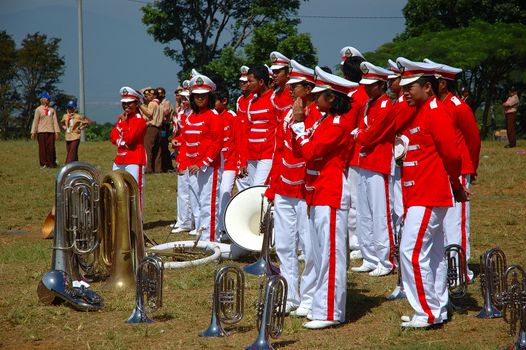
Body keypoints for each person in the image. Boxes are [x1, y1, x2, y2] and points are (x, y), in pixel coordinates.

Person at [395, 57, 469, 329]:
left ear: (427, 87)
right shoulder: (421, 111)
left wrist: (456, 186)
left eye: (409, 88)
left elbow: (451, 154)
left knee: (411, 252)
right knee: (434, 254)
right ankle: (436, 307)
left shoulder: (435, 112)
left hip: (430, 193)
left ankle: (426, 312)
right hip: (420, 193)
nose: (404, 93)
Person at [291, 66, 357, 330]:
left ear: (332, 97)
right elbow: (301, 149)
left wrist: (298, 125)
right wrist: (300, 131)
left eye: (319, 94)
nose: (314, 98)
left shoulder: (339, 124)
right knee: (318, 255)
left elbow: (310, 151)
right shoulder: (325, 121)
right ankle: (321, 305)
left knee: (331, 255)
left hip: (330, 193)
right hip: (318, 191)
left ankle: (330, 311)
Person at [265, 59, 320, 318]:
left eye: (296, 85)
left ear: (308, 88)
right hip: (285, 187)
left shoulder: (317, 114)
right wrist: (272, 187)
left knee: (309, 246)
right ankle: (290, 294)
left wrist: (301, 121)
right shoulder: (288, 112)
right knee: (285, 245)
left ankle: (309, 297)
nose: (290, 89)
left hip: (305, 189)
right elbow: (280, 152)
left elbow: (311, 151)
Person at [426, 58, 481, 281]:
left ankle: (460, 269)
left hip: (459, 168)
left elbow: (474, 140)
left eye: (434, 81)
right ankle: (446, 264)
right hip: (441, 170)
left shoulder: (458, 107)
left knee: (456, 221)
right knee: (444, 221)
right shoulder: (435, 106)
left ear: (443, 84)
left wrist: (471, 169)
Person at [350, 61, 396, 277]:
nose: (366, 88)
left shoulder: (387, 106)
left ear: (381, 85)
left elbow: (369, 135)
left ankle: (385, 260)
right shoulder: (369, 104)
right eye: (365, 84)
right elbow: (361, 130)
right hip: (363, 162)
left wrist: (360, 135)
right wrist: (361, 134)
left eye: (371, 85)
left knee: (380, 213)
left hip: (378, 163)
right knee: (364, 213)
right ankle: (369, 256)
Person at [179, 74, 223, 242]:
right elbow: (185, 142)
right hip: (192, 168)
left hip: (208, 168)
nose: (200, 98)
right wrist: (183, 163)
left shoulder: (214, 116)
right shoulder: (190, 117)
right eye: (197, 95)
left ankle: (211, 241)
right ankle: (202, 234)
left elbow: (216, 144)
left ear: (209, 96)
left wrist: (201, 163)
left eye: (203, 95)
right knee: (197, 203)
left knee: (209, 205)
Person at [340, 46, 368, 261]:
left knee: (355, 202)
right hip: (354, 152)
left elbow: (348, 126)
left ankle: (356, 242)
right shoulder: (356, 93)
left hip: (354, 152)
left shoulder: (356, 95)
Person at [238, 65, 279, 187]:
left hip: (267, 154)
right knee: (252, 189)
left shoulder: (274, 98)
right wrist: (243, 159)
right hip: (252, 154)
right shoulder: (251, 102)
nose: (248, 84)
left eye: (250, 81)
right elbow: (247, 132)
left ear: (261, 82)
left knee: (259, 188)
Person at [110, 87, 148, 208]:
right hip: (120, 159)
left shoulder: (139, 120)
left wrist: (123, 127)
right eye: (124, 103)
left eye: (129, 102)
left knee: (134, 190)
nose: (126, 105)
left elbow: (130, 139)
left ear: (137, 104)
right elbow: (112, 136)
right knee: (117, 189)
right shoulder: (121, 118)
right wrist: (122, 142)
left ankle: (137, 223)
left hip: (134, 159)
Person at [171, 81, 195, 234]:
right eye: (183, 99)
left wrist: (179, 140)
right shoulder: (180, 113)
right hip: (182, 154)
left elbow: (190, 136)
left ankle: (190, 221)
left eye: (187, 99)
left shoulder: (194, 114)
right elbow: (179, 133)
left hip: (191, 155)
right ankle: (183, 220)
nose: (184, 102)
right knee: (182, 189)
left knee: (191, 189)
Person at [215, 88, 239, 236]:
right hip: (216, 162)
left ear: (224, 101)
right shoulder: (213, 116)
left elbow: (238, 140)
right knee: (215, 193)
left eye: (215, 101)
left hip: (230, 161)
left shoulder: (232, 116)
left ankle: (224, 228)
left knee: (225, 192)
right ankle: (217, 225)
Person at [31, 92, 60, 168]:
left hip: (51, 131)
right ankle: (43, 163)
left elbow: (55, 121)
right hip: (41, 131)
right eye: (47, 99)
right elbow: (35, 121)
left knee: (51, 148)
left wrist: (57, 132)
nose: (49, 100)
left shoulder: (52, 110)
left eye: (49, 99)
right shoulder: (38, 110)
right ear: (42, 100)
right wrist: (33, 132)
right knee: (42, 148)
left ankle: (51, 163)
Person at [235, 65, 253, 191]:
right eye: (241, 81)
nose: (243, 84)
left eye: (245, 81)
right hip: (240, 142)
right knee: (241, 182)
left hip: (250, 143)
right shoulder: (239, 100)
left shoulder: (254, 99)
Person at [140, 87, 164, 173]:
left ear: (154, 96)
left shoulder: (152, 104)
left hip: (151, 128)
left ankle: (148, 168)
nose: (147, 97)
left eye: (149, 95)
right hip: (159, 128)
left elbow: (149, 114)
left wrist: (140, 105)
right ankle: (158, 168)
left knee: (148, 149)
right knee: (158, 150)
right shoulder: (160, 104)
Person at [269, 51, 294, 121]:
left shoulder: (294, 92)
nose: (274, 75)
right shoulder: (274, 95)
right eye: (273, 72)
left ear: (288, 73)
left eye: (277, 72)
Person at [157, 87, 175, 172]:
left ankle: (167, 165)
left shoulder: (166, 102)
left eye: (161, 93)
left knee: (164, 146)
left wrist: (155, 112)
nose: (159, 95)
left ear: (164, 94)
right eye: (158, 93)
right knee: (159, 146)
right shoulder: (157, 103)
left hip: (165, 126)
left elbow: (166, 112)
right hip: (159, 126)